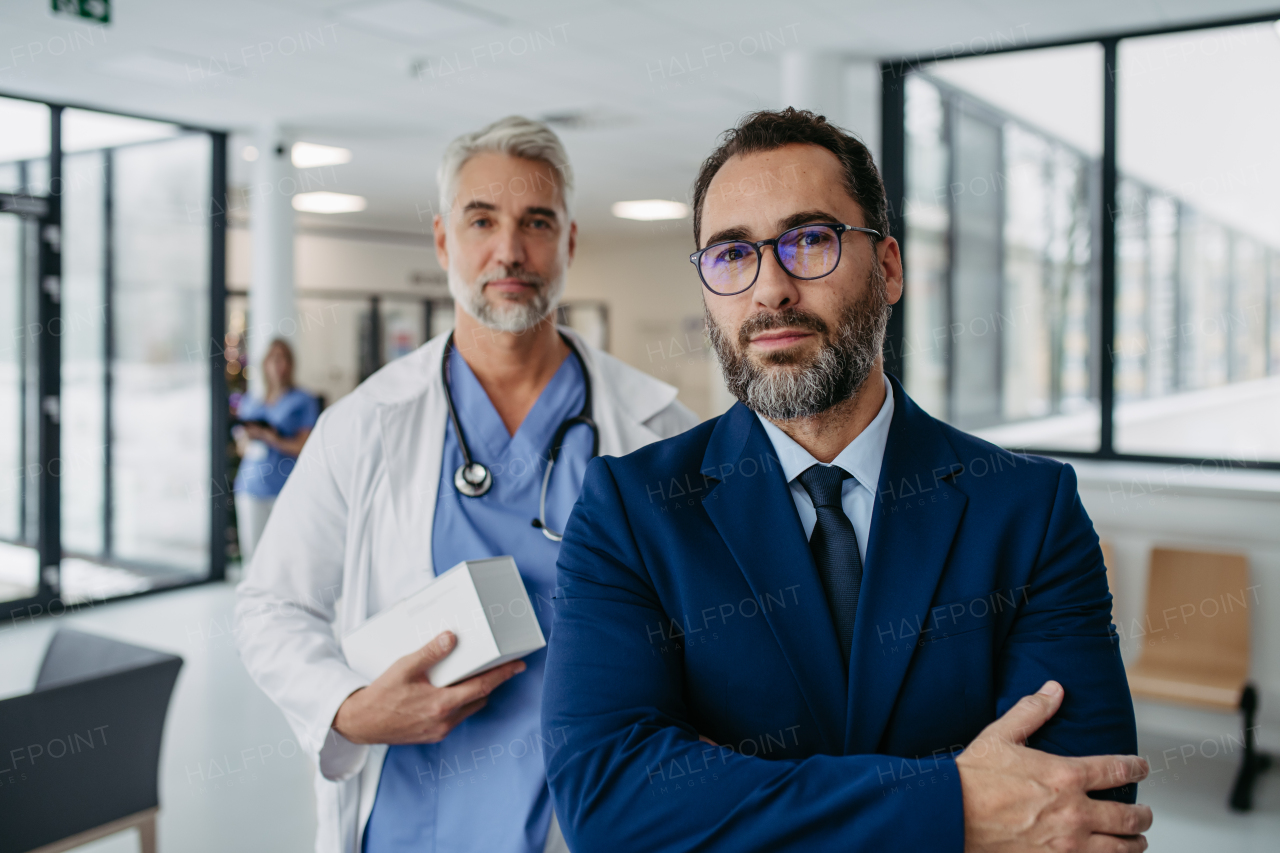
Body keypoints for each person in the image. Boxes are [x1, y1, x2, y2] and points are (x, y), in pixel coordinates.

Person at [542, 108, 1153, 852]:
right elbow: (609, 799)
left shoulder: (1028, 508)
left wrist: (728, 795)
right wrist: (954, 807)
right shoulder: (631, 513)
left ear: (889, 267)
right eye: (732, 254)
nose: (770, 290)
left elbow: (1085, 805)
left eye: (810, 240)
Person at [234, 116, 698, 853]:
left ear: (570, 242)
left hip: (598, 814)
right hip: (414, 818)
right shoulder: (365, 425)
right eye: (482, 219)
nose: (509, 249)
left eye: (536, 222)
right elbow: (270, 606)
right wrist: (349, 708)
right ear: (445, 239)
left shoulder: (663, 430)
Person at [232, 338, 319, 563]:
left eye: (283, 359)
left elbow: (304, 447)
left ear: (291, 364)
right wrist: (249, 437)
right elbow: (242, 448)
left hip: (284, 488)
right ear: (264, 364)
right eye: (273, 359)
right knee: (253, 557)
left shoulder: (303, 401)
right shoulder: (252, 401)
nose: (278, 366)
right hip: (251, 487)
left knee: (284, 558)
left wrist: (272, 439)